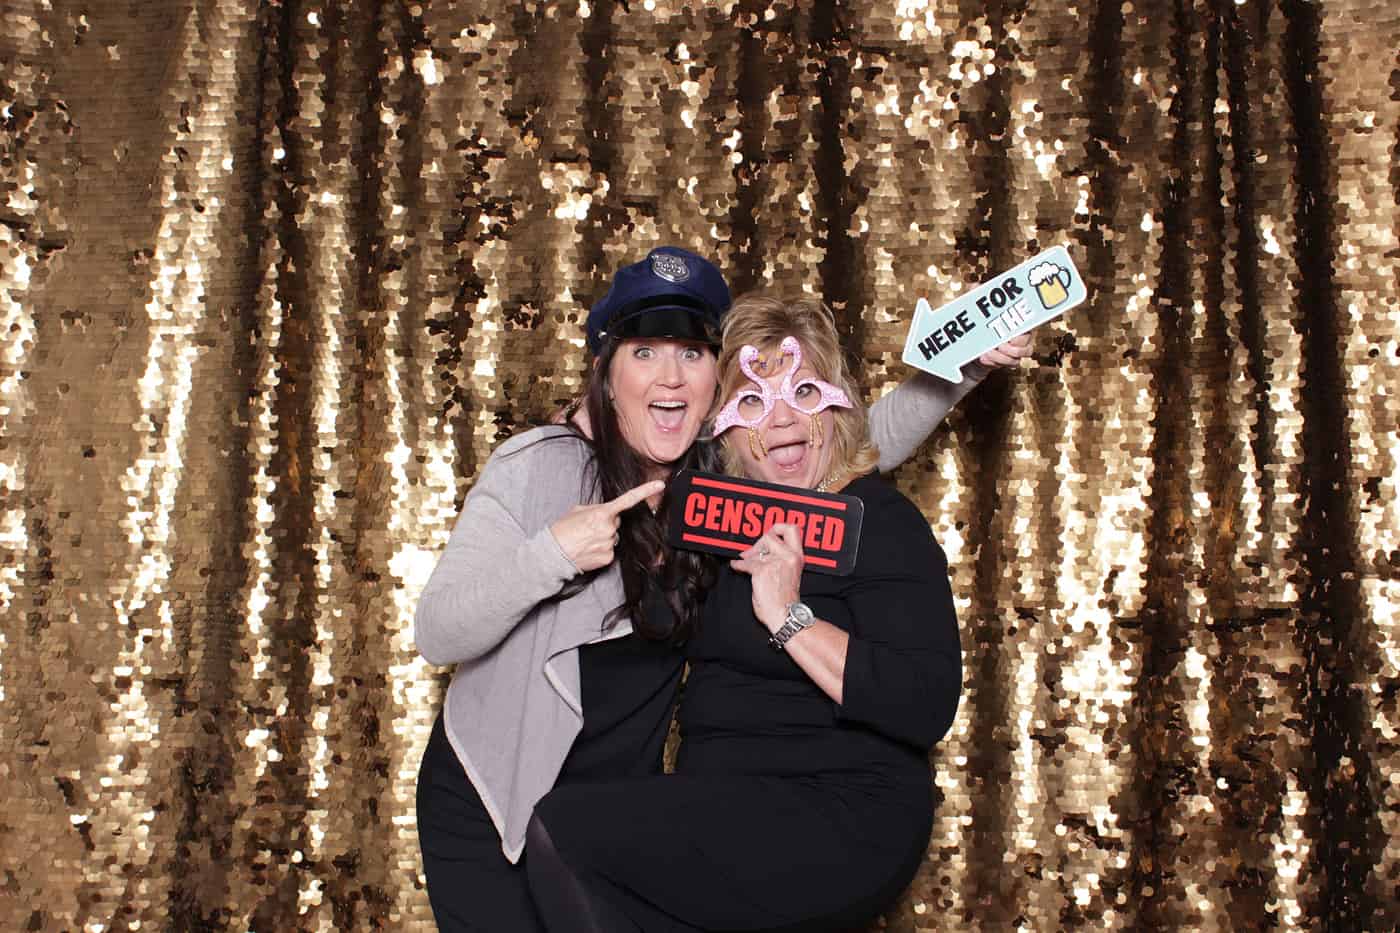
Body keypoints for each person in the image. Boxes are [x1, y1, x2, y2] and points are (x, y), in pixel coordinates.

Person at [414, 247, 1028, 931]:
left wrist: (959, 368)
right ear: (605, 372)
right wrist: (550, 553)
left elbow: (835, 449)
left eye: (692, 354)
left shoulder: (713, 482)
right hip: (498, 796)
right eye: (644, 352)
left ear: (714, 392)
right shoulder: (541, 465)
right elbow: (437, 631)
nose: (669, 376)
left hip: (616, 800)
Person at [525, 294, 964, 933]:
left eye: (804, 394)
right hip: (722, 807)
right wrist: (593, 416)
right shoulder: (717, 517)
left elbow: (924, 705)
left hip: (842, 808)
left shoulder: (879, 521)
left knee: (565, 831)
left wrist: (789, 615)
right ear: (725, 429)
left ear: (838, 407)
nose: (781, 421)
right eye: (754, 402)